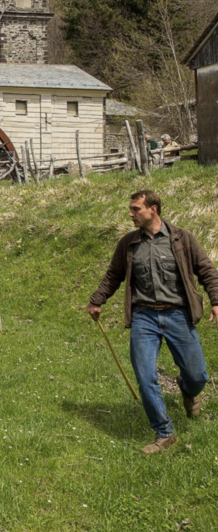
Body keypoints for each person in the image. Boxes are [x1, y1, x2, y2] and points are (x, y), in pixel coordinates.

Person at [88, 189, 218, 454]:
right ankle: (164, 432)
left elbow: (206, 270)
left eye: (136, 209)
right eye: (131, 208)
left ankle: (189, 390)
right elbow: (114, 275)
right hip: (143, 316)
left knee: (198, 376)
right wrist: (97, 300)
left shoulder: (181, 239)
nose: (131, 213)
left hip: (178, 315)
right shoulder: (128, 243)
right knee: (145, 375)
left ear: (153, 209)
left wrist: (216, 300)